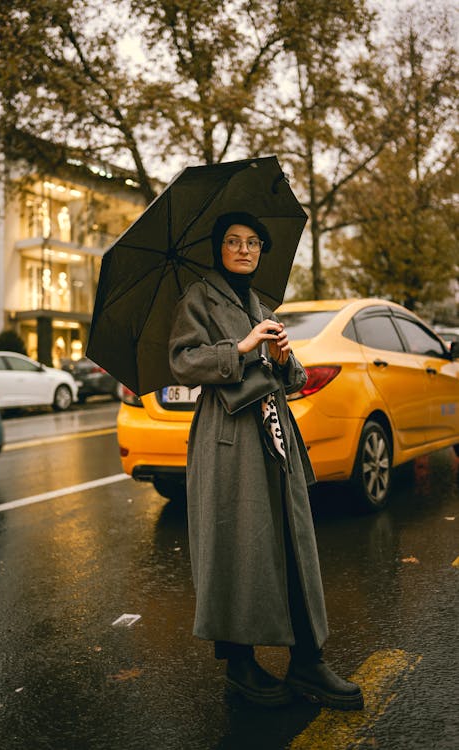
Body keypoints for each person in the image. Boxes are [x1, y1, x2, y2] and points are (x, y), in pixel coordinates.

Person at [169, 211, 363, 710]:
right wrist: (238, 348)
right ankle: (240, 664)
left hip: (275, 433)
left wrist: (282, 357)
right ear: (219, 249)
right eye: (233, 241)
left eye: (253, 242)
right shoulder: (199, 296)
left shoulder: (261, 303)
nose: (244, 250)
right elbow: (182, 360)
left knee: (292, 540)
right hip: (228, 435)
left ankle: (307, 659)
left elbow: (291, 377)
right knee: (237, 543)